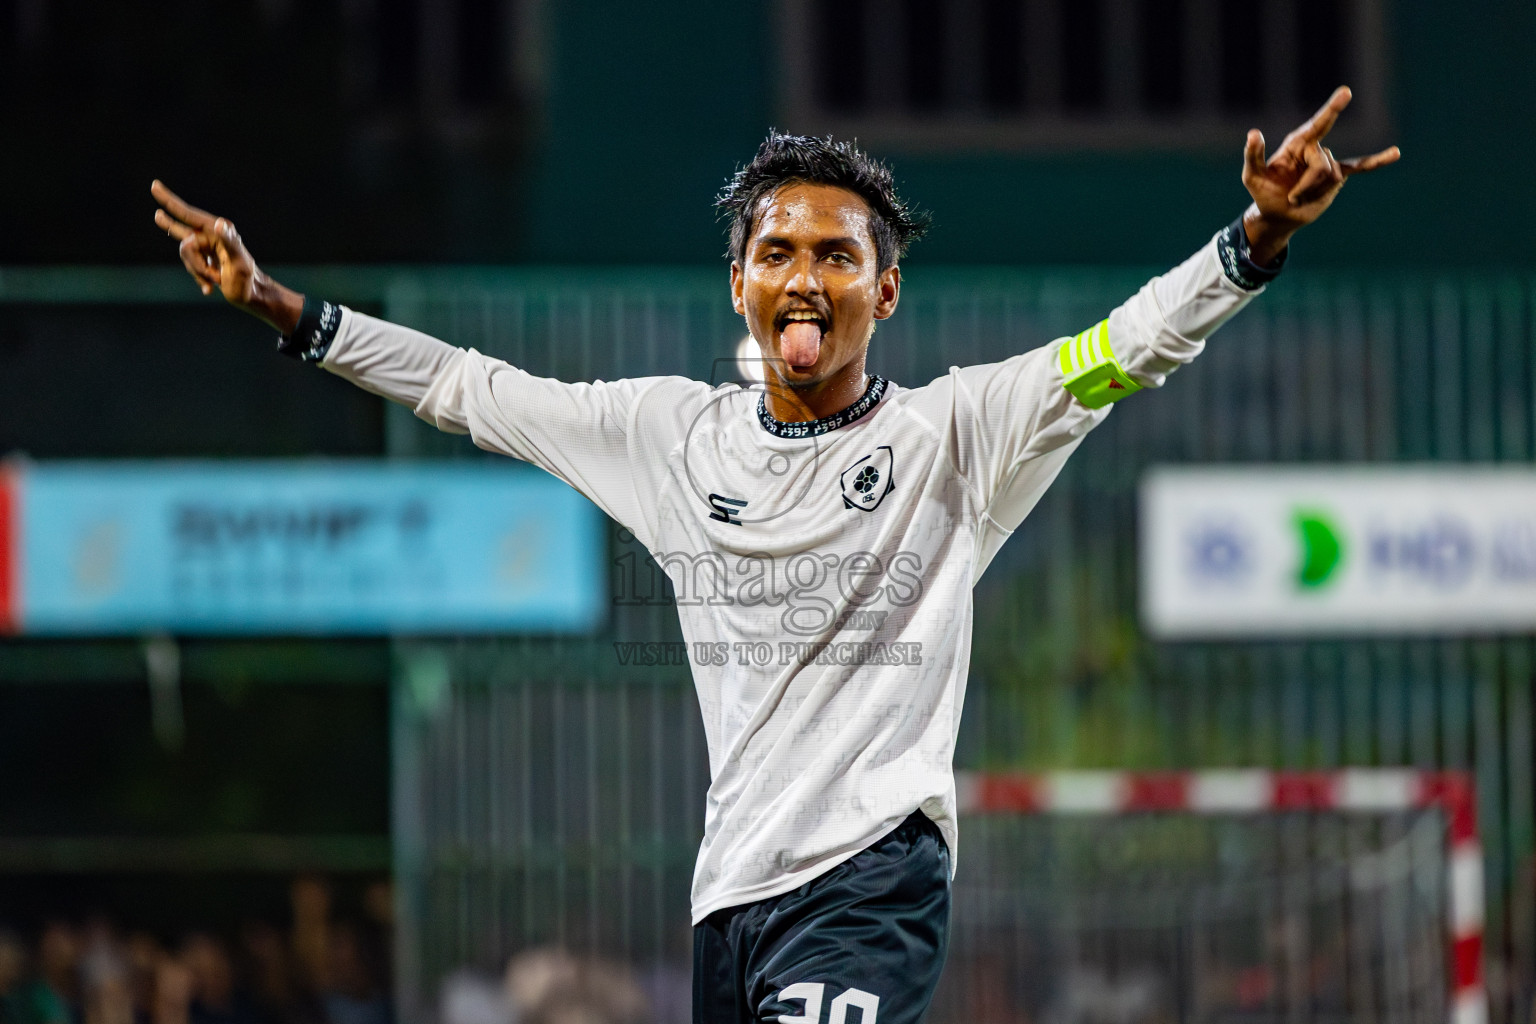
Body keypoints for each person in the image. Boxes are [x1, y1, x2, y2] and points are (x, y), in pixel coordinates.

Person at [152, 88, 1397, 1023]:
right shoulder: (665, 436)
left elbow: (1128, 346)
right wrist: (282, 308)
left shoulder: (955, 432)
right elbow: (470, 388)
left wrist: (1253, 241)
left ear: (886, 291)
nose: (807, 278)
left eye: (839, 255)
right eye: (781, 252)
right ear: (739, 280)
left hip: (872, 880)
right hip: (728, 904)